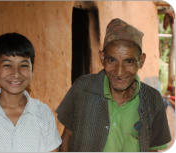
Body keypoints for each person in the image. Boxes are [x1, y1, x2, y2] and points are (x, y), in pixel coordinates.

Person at [56, 18, 171, 152]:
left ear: (141, 61)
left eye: (129, 61)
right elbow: (66, 138)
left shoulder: (153, 99)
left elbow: (153, 150)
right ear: (102, 58)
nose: (119, 72)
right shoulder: (82, 88)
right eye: (112, 60)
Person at [0, 33, 62, 152]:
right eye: (7, 65)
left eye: (24, 65)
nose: (16, 73)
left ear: (32, 71)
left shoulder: (44, 114)